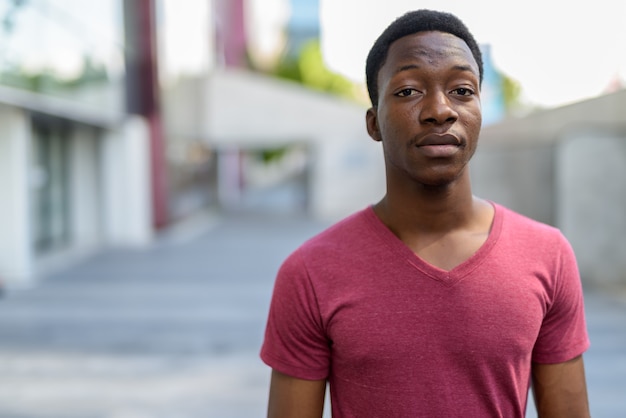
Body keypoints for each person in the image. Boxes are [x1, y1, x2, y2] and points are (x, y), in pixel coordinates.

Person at [260, 9, 590, 418]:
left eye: (462, 91)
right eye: (408, 91)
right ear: (373, 122)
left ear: (480, 113)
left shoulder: (548, 255)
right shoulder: (310, 273)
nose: (440, 110)